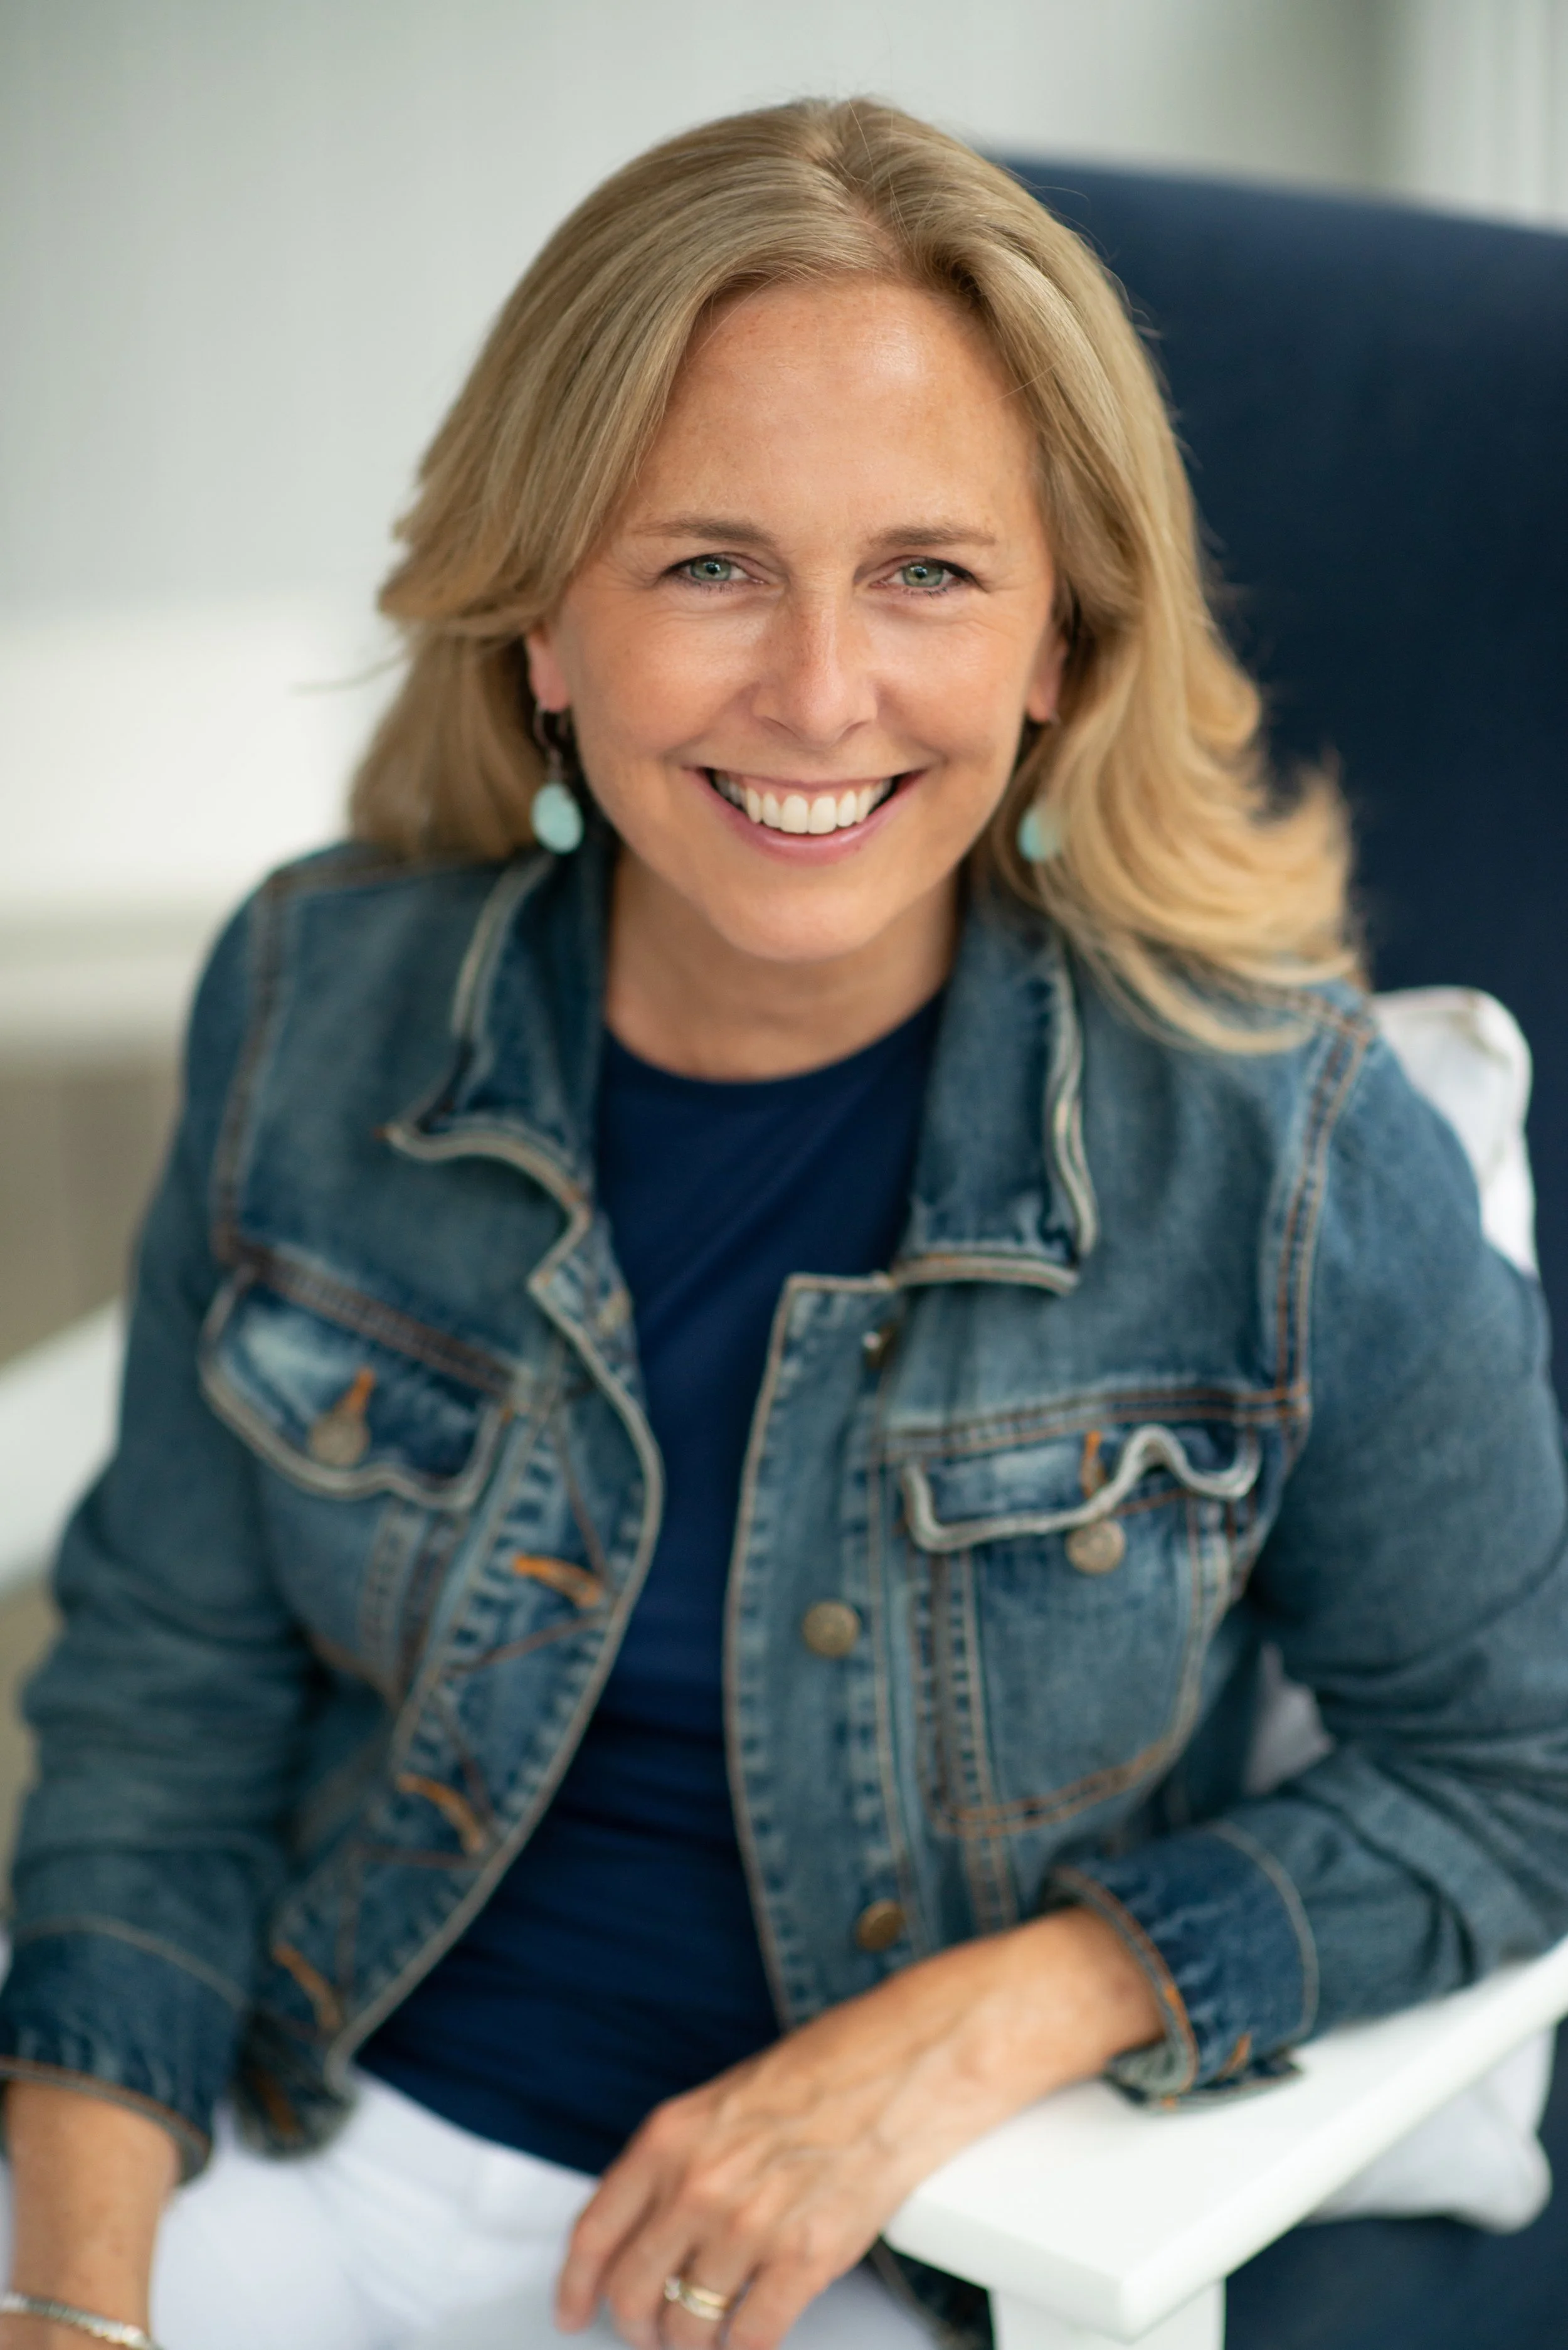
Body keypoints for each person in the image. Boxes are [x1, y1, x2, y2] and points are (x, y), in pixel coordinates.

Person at [1, 95, 1565, 2350]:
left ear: (1060, 645)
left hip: (859, 2253)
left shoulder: (1286, 1149)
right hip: (295, 2120)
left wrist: (977, 2029)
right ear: (544, 621)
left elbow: (1512, 1781)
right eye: (707, 564)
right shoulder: (315, 1006)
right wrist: (77, 2304)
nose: (819, 693)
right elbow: (161, 1716)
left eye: (926, 571)